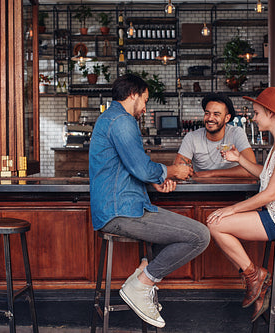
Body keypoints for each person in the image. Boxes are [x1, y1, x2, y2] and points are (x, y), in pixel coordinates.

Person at [89, 74, 210, 328]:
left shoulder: (111, 118)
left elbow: (131, 167)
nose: (145, 108)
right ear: (133, 94)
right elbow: (141, 168)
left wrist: (154, 179)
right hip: (121, 211)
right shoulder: (123, 121)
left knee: (169, 240)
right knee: (200, 235)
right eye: (144, 100)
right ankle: (141, 284)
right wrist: (172, 171)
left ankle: (143, 273)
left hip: (122, 207)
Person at [206, 87, 275, 322]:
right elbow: (264, 175)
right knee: (215, 222)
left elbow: (270, 194)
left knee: (216, 223)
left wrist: (231, 208)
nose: (253, 118)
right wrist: (239, 159)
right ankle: (255, 278)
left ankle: (254, 276)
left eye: (256, 113)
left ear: (271, 114)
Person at [174, 92, 256, 177]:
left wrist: (210, 173)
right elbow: (178, 170)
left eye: (216, 114)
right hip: (200, 189)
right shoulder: (192, 137)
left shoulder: (236, 133)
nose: (210, 118)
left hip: (233, 188)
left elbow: (251, 169)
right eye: (207, 113)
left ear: (227, 118)